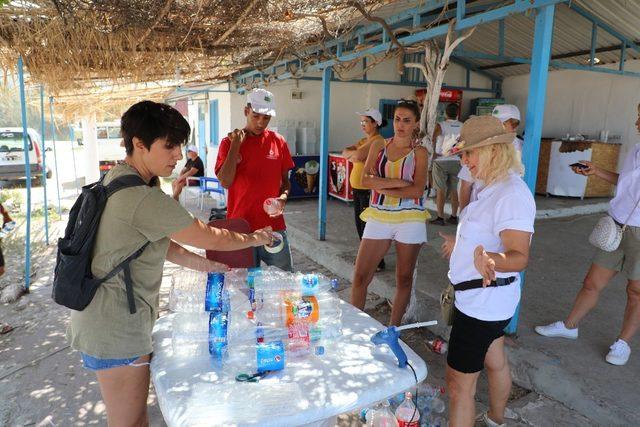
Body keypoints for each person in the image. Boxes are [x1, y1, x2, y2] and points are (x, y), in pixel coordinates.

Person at [67, 101, 274, 426]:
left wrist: (214, 269)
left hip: (107, 320)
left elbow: (164, 247)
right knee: (128, 422)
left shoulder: (121, 179)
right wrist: (255, 239)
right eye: (169, 146)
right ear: (138, 144)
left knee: (134, 418)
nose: (178, 154)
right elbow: (212, 237)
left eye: (180, 145)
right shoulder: (143, 198)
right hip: (115, 328)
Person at [439, 116, 535, 427]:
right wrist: (464, 246)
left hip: (482, 304)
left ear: (494, 150)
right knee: (495, 359)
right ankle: (496, 419)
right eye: (463, 154)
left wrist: (489, 258)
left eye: (470, 153)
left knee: (458, 384)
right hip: (486, 299)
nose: (464, 161)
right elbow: (485, 233)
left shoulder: (511, 194)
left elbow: (519, 257)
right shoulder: (489, 186)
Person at [535, 103, 640, 367]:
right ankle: (570, 326)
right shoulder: (636, 149)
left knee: (636, 292)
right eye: (638, 115)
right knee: (592, 282)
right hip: (618, 224)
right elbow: (626, 182)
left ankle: (623, 343)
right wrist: (596, 171)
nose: (637, 122)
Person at [350, 99, 429, 326]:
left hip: (410, 219)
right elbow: (365, 180)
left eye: (406, 120)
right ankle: (355, 326)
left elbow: (417, 189)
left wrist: (381, 184)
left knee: (404, 279)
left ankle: (392, 330)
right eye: (397, 119)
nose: (400, 124)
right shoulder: (379, 146)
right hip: (379, 215)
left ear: (415, 123)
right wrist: (398, 182)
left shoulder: (420, 153)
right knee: (360, 276)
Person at [215, 88, 295, 271]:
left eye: (266, 118)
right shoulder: (228, 143)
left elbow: (285, 182)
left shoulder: (278, 142)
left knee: (284, 281)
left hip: (273, 227)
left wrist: (282, 199)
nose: (260, 122)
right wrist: (236, 145)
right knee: (243, 285)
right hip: (240, 228)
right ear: (246, 111)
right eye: (256, 116)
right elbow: (225, 182)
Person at [342, 108, 387, 271]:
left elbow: (358, 156)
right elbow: (345, 152)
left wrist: (353, 154)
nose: (362, 125)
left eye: (366, 121)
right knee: (360, 227)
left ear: (375, 123)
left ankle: (376, 262)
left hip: (368, 190)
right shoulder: (363, 140)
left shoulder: (377, 141)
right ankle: (369, 260)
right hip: (358, 189)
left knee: (369, 228)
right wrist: (352, 154)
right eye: (361, 122)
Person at [458, 104, 523, 212]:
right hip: (476, 213)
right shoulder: (481, 146)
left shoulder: (522, 147)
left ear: (514, 125)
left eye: (501, 123)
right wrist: (463, 217)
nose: (464, 161)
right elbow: (465, 186)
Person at [430, 103, 463, 225]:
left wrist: (433, 153)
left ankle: (440, 217)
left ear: (445, 113)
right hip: (456, 161)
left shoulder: (441, 125)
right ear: (457, 114)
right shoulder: (462, 126)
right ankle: (454, 216)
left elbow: (433, 138)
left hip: (441, 161)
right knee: (455, 190)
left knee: (441, 189)